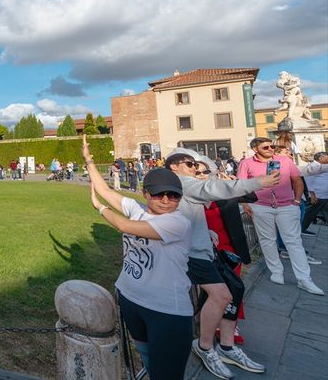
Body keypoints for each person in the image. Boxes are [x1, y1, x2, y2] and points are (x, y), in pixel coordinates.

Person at [81, 136, 193, 379]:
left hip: (166, 311)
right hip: (132, 299)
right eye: (158, 194)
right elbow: (104, 189)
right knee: (149, 363)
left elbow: (123, 226)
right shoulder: (138, 209)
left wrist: (100, 208)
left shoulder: (177, 222)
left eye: (173, 196)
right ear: (145, 194)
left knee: (167, 374)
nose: (165, 200)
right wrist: (88, 160)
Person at [165, 148, 277, 378]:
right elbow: (211, 190)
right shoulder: (182, 182)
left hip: (204, 249)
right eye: (190, 163)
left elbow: (201, 204)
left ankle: (226, 345)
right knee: (221, 295)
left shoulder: (187, 183)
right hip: (192, 253)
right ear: (174, 166)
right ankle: (205, 346)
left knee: (235, 289)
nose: (195, 167)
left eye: (196, 165)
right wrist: (258, 181)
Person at [237, 138, 323, 295]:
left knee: (294, 241)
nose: (270, 149)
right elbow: (241, 185)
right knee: (267, 240)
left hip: (287, 205)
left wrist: (296, 201)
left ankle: (305, 279)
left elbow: (297, 180)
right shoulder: (246, 163)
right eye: (266, 147)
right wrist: (245, 204)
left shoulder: (284, 160)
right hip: (261, 206)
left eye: (272, 146)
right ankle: (276, 271)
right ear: (255, 149)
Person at [195, 156, 253, 347]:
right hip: (207, 250)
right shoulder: (190, 197)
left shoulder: (222, 191)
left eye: (205, 172)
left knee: (234, 288)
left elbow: (252, 196)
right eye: (197, 172)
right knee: (217, 291)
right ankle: (212, 323)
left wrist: (233, 182)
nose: (202, 175)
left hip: (229, 248)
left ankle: (231, 324)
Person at [302, 151, 328, 231]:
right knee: (309, 213)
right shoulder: (313, 166)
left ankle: (302, 228)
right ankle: (301, 228)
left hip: (323, 195)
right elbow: (308, 181)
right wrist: (312, 195)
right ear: (321, 158)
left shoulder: (321, 166)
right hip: (317, 196)